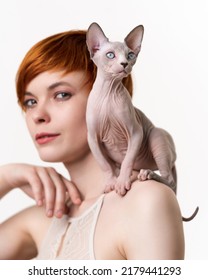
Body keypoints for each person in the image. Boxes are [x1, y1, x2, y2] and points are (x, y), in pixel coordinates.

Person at [0, 29, 184, 260]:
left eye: (61, 95)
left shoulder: (145, 202)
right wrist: (6, 177)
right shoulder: (43, 218)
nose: (38, 115)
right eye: (30, 101)